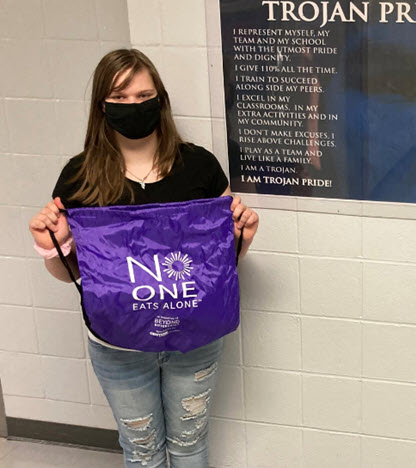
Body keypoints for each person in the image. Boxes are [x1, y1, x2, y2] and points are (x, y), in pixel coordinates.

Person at [28, 49, 259, 468]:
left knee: (190, 444)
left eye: (143, 95)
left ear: (160, 100)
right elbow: (75, 275)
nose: (133, 106)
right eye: (120, 97)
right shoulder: (79, 176)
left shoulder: (199, 166)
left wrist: (243, 235)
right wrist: (52, 245)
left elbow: (217, 266)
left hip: (195, 335)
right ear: (102, 106)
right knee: (141, 449)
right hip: (118, 343)